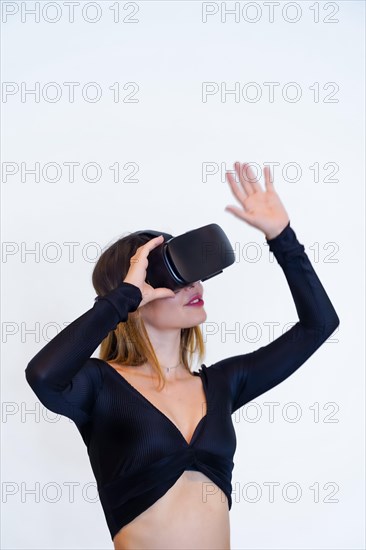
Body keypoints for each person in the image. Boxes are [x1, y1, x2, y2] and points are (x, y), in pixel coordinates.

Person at [25, 162, 340, 550]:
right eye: (171, 277)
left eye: (192, 273)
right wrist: (122, 299)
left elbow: (319, 325)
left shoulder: (223, 383)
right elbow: (43, 376)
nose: (194, 284)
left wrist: (282, 238)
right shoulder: (98, 386)